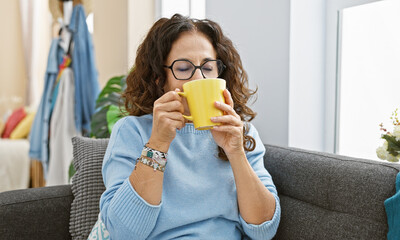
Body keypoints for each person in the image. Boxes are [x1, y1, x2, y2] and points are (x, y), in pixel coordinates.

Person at [98, 14, 281, 239]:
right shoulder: (132, 132)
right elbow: (124, 232)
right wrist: (159, 143)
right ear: (159, 79)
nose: (198, 79)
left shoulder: (241, 133)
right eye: (183, 68)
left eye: (208, 67)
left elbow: (264, 230)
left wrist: (235, 152)